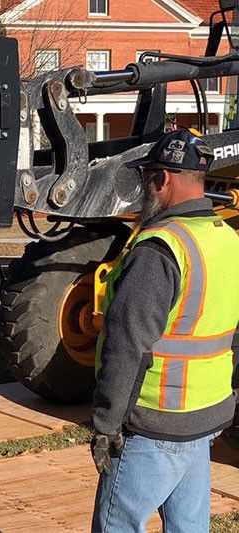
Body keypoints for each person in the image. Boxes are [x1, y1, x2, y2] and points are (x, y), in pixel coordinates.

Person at [90, 128, 239, 532]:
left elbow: (127, 345)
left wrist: (105, 425)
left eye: (146, 179)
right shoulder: (227, 239)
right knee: (189, 527)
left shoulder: (160, 249)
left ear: (163, 179)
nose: (144, 189)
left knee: (116, 525)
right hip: (206, 416)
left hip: (154, 423)